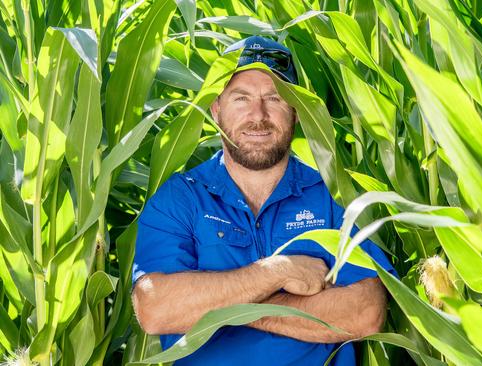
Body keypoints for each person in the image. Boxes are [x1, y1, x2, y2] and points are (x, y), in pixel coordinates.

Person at [131, 36, 397, 365]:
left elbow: (364, 313)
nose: (258, 115)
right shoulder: (181, 198)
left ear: (297, 110)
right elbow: (156, 308)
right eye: (241, 99)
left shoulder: (334, 196)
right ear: (216, 109)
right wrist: (276, 273)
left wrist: (222, 304)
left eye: (274, 98)